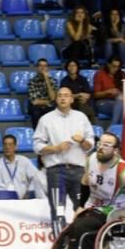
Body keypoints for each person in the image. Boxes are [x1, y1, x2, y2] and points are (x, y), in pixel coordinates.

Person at [58, 132, 125, 249]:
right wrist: (80, 206)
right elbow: (85, 182)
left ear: (116, 151)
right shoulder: (91, 160)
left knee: (84, 227)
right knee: (74, 227)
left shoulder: (123, 171)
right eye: (100, 143)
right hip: (96, 207)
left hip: (117, 211)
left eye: (106, 145)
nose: (101, 147)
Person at [33, 87, 95, 219]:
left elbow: (90, 145)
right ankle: (59, 239)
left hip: (79, 170)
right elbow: (37, 146)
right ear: (56, 99)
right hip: (56, 171)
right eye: (60, 95)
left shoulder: (81, 117)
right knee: (58, 211)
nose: (63, 98)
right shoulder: (46, 119)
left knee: (82, 210)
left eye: (66, 95)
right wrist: (56, 148)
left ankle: (79, 239)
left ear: (72, 99)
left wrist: (82, 140)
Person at [0, 134, 40, 199]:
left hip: (25, 200)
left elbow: (35, 177)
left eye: (10, 144)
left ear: (15, 147)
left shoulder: (24, 161)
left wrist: (29, 192)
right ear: (2, 147)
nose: (7, 147)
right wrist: (10, 198)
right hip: (5, 200)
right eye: (5, 144)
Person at [93, 56, 125, 126]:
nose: (116, 69)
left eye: (118, 67)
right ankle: (114, 128)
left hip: (118, 102)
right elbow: (96, 95)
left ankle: (113, 129)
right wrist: (108, 92)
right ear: (108, 64)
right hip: (102, 102)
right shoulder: (100, 74)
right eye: (114, 66)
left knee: (122, 104)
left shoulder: (121, 74)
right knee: (122, 106)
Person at [27, 58, 59, 127]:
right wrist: (48, 102)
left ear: (48, 68)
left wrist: (47, 80)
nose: (43, 68)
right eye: (40, 66)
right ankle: (37, 134)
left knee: (54, 111)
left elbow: (53, 98)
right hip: (36, 107)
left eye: (45, 66)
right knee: (36, 112)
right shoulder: (32, 81)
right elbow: (34, 101)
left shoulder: (53, 81)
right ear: (37, 68)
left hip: (49, 107)